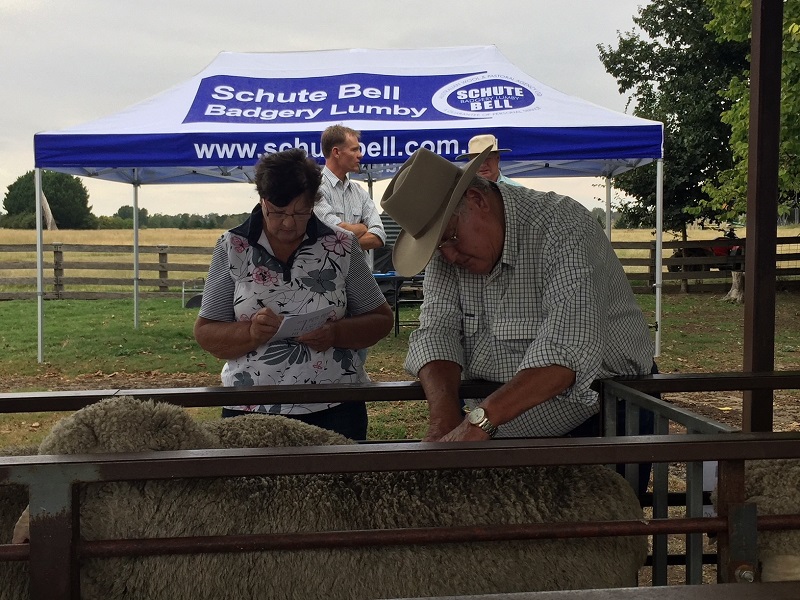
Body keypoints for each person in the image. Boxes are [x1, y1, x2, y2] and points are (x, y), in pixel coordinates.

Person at [380, 147, 655, 445]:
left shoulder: (563, 227)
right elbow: (436, 331)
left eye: (450, 238)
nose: (449, 256)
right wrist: (444, 418)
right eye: (436, 248)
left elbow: (566, 348)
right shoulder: (448, 250)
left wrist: (479, 422)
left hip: (603, 416)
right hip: (494, 427)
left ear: (476, 200)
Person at [194, 148, 394, 440]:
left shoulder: (341, 245)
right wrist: (251, 333)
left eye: (301, 212)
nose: (288, 223)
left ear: (314, 201)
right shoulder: (233, 246)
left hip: (336, 406)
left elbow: (380, 319)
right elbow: (206, 332)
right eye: (277, 212)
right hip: (250, 410)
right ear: (261, 200)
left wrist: (335, 334)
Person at [316, 125, 386, 272]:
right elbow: (331, 235)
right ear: (336, 152)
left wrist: (342, 239)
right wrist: (362, 227)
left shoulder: (359, 192)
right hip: (328, 279)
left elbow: (379, 236)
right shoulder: (316, 189)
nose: (360, 155)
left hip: (360, 278)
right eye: (354, 149)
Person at [456, 134, 524, 187]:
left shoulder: (517, 190)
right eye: (477, 161)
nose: (482, 165)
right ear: (470, 162)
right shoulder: (463, 191)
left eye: (487, 159)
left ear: (497, 158)